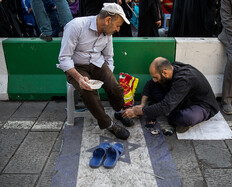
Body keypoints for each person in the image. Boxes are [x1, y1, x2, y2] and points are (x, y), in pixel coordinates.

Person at [57, 3, 133, 140]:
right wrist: (79, 78)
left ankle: (119, 111)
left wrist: (108, 77)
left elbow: (109, 57)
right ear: (108, 20)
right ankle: (109, 124)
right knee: (88, 92)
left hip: (97, 63)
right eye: (117, 25)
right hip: (76, 66)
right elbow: (64, 58)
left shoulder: (107, 32)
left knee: (115, 87)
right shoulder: (76, 26)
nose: (117, 29)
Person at [122, 57, 219, 133]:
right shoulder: (172, 67)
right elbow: (150, 84)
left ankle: (173, 114)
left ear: (164, 73)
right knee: (155, 88)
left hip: (202, 105)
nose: (154, 79)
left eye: (155, 77)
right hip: (181, 98)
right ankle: (168, 109)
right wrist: (142, 104)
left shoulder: (183, 79)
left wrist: (137, 111)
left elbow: (166, 106)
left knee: (184, 118)